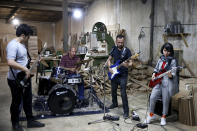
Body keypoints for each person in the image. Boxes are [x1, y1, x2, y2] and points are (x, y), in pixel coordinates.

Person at [6, 24, 45, 131]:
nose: (28, 39)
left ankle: (30, 121)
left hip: (24, 78)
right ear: (23, 35)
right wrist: (25, 69)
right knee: (17, 102)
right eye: (28, 37)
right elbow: (10, 62)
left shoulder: (22, 45)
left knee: (28, 100)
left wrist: (35, 61)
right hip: (16, 80)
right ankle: (15, 124)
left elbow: (24, 62)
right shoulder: (13, 45)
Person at [144, 42, 178, 126]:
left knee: (166, 100)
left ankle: (163, 117)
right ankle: (150, 115)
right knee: (152, 97)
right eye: (165, 50)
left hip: (166, 83)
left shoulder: (173, 61)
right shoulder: (161, 59)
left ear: (171, 52)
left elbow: (173, 74)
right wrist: (153, 74)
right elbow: (156, 68)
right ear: (162, 50)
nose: (166, 53)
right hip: (158, 81)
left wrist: (170, 74)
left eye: (168, 51)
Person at [106, 34, 132, 119]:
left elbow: (131, 63)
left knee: (123, 93)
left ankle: (126, 111)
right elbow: (109, 59)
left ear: (123, 42)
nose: (120, 44)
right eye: (118, 42)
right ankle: (114, 103)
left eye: (122, 42)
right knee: (113, 90)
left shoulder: (127, 51)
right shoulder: (113, 49)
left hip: (123, 75)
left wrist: (126, 65)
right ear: (116, 41)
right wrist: (110, 67)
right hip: (115, 73)